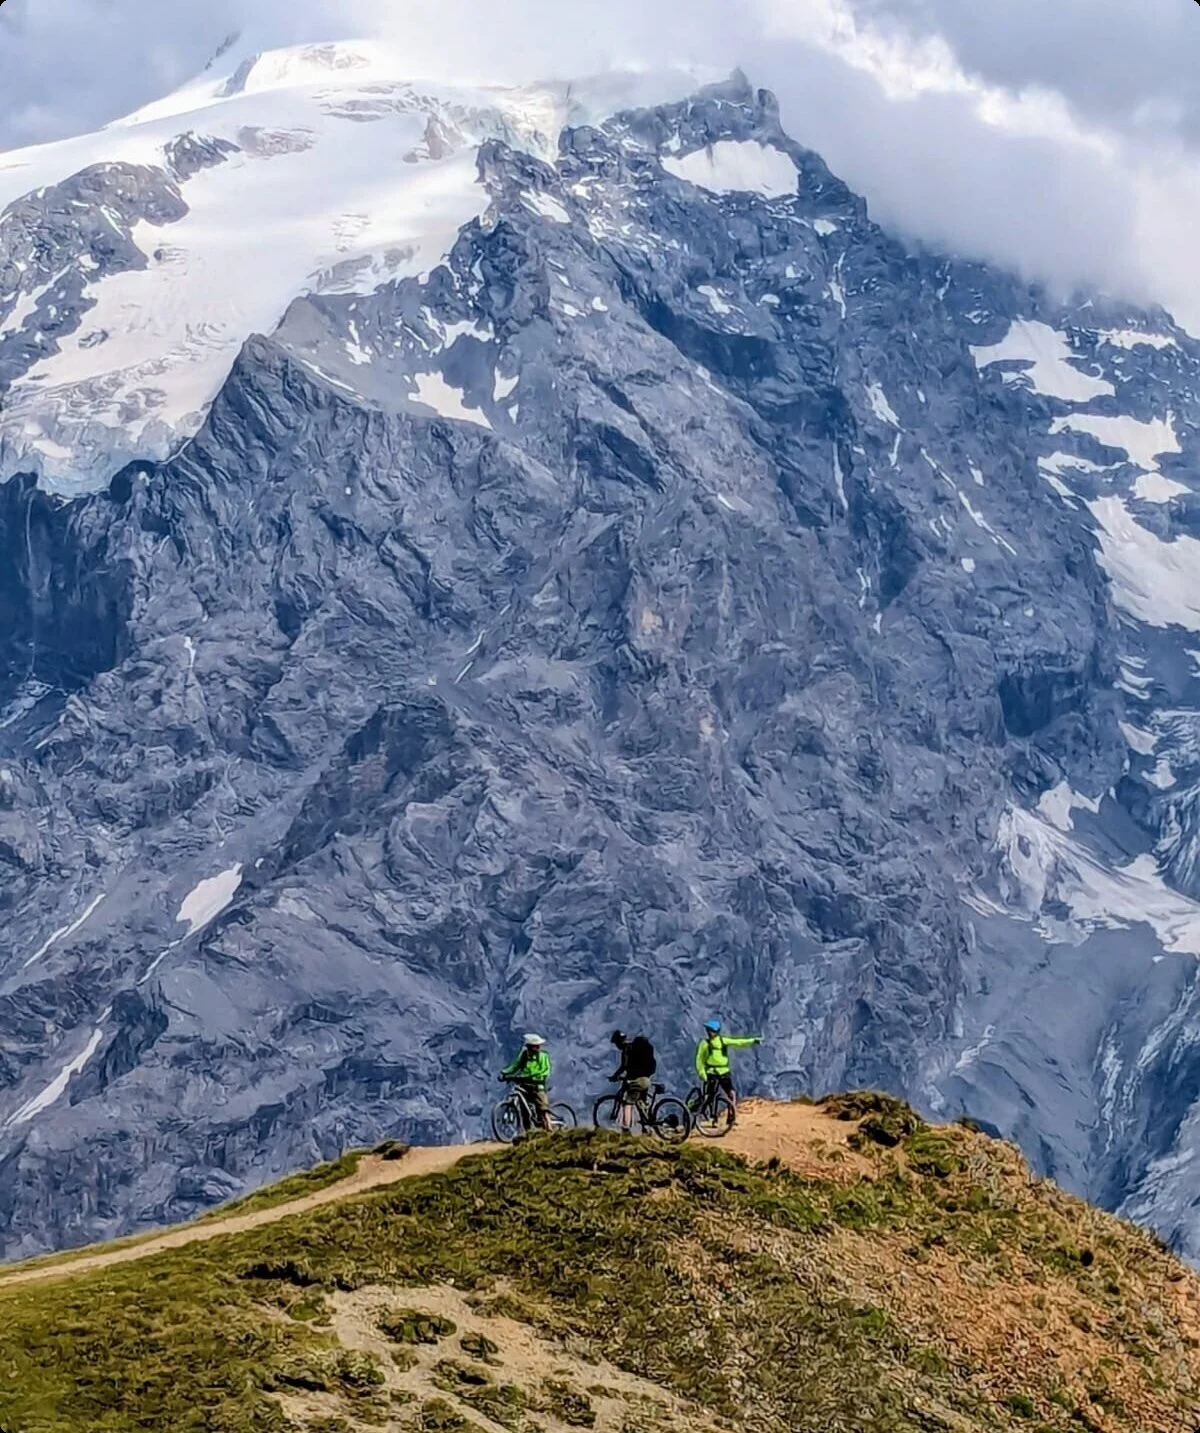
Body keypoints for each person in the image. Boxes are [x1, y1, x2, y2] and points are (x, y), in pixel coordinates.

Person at [695, 1019, 761, 1127]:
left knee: (731, 1094)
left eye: (710, 1030)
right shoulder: (704, 1044)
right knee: (711, 1096)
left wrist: (753, 1041)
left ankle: (731, 1117)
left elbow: (738, 1042)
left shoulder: (722, 1041)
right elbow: (699, 1059)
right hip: (712, 1072)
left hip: (724, 1072)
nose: (709, 1032)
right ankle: (710, 1117)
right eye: (708, 1030)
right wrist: (702, 1073)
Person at [500, 1034, 552, 1132]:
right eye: (535, 1046)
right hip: (525, 1084)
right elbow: (515, 1066)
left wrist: (533, 1076)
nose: (537, 1047)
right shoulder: (524, 1055)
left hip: (537, 1084)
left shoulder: (543, 1056)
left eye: (538, 1046)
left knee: (542, 1106)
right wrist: (505, 1072)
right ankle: (528, 1130)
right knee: (524, 1107)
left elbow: (545, 1070)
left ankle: (549, 1126)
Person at [609, 1029, 657, 1131]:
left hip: (638, 1080)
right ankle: (646, 1126)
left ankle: (626, 1128)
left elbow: (624, 1067)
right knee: (641, 1102)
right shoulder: (635, 1046)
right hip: (646, 1078)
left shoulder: (627, 1050)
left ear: (618, 1042)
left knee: (628, 1103)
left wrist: (615, 1077)